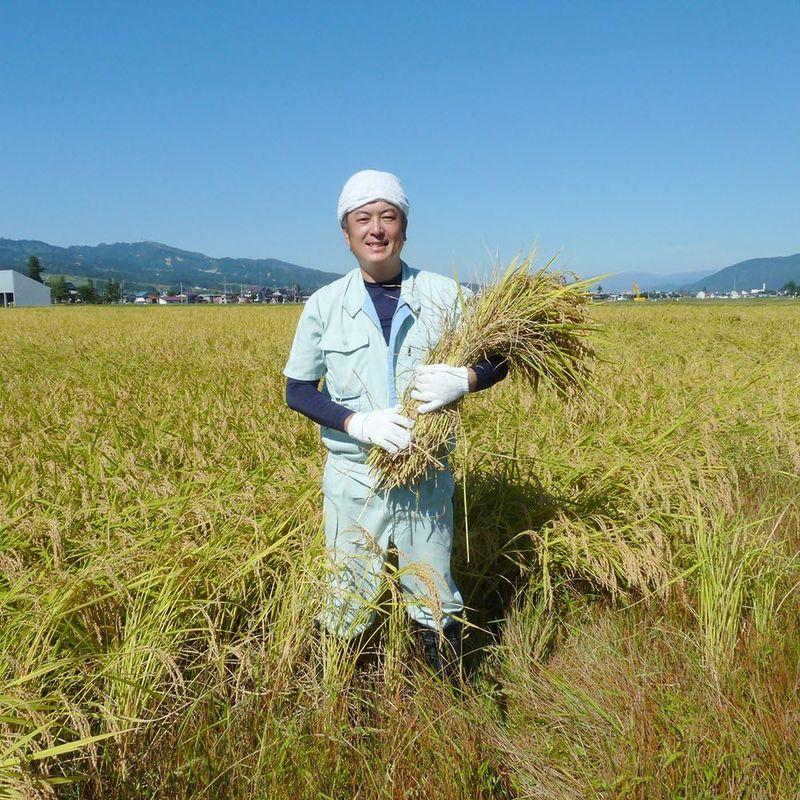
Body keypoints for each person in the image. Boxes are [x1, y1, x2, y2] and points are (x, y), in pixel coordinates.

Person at [283, 169, 507, 675]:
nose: (376, 229)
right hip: (352, 481)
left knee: (433, 595)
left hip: (424, 478)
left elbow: (505, 354)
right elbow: (297, 390)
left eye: (388, 217)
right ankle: (342, 698)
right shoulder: (325, 305)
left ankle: (450, 700)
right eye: (363, 218)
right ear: (346, 233)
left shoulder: (446, 295)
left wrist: (466, 380)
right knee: (345, 598)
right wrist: (357, 423)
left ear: (405, 228)